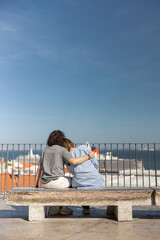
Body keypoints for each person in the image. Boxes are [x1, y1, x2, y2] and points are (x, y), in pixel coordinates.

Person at [34, 130, 95, 216]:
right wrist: (89, 156)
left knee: (63, 183)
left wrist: (36, 184)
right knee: (76, 181)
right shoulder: (62, 150)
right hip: (58, 182)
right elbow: (73, 162)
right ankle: (64, 208)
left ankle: (56, 206)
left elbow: (39, 169)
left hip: (45, 183)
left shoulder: (45, 151)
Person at [62, 138, 105, 214]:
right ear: (70, 143)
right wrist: (93, 171)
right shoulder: (83, 148)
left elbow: (72, 171)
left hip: (80, 183)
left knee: (79, 183)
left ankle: (85, 208)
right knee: (92, 181)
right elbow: (95, 162)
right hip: (96, 181)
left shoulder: (67, 156)